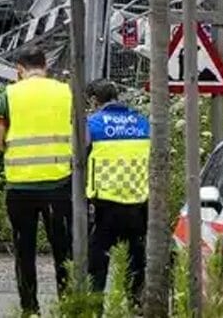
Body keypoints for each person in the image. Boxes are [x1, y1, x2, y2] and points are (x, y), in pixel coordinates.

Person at [0, 47, 73, 315]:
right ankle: (68, 305)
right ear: (45, 65)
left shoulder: (8, 95)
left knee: (24, 250)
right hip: (59, 184)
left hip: (20, 187)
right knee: (64, 250)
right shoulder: (66, 92)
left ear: (19, 69)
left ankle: (29, 308)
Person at [84, 79, 149, 308]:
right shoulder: (142, 122)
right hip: (138, 202)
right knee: (136, 260)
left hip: (105, 203)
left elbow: (79, 158)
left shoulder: (92, 124)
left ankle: (95, 306)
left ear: (94, 100)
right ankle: (135, 305)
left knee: (98, 260)